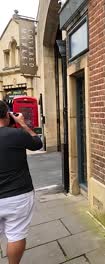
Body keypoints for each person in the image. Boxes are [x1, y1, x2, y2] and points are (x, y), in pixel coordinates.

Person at [0, 100, 42, 264]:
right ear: (7, 114)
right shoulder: (16, 134)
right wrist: (23, 124)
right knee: (16, 234)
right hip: (18, 195)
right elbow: (38, 144)